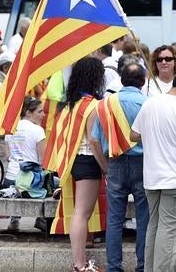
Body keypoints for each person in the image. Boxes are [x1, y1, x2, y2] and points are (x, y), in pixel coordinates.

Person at [131, 68, 176, 272]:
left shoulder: (150, 103)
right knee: (169, 232)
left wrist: (155, 133)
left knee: (153, 228)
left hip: (152, 177)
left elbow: (133, 134)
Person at [44, 57, 107, 272]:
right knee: (81, 214)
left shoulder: (72, 104)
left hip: (75, 160)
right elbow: (94, 140)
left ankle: (79, 263)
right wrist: (105, 167)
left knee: (79, 212)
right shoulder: (94, 105)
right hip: (89, 161)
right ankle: (80, 265)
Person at [92, 63, 149, 272]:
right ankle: (142, 266)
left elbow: (95, 141)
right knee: (144, 218)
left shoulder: (105, 105)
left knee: (115, 219)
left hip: (114, 162)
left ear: (122, 80)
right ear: (143, 81)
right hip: (143, 163)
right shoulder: (148, 103)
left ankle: (114, 267)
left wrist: (105, 167)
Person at [4, 96, 47, 232]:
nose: (43, 115)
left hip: (10, 178)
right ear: (28, 113)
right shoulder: (38, 130)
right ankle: (42, 219)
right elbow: (43, 159)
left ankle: (14, 219)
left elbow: (7, 155)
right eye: (40, 112)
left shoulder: (11, 127)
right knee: (52, 182)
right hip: (29, 183)